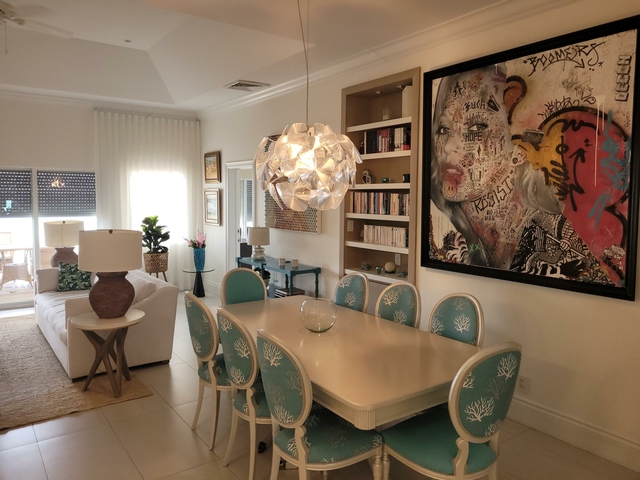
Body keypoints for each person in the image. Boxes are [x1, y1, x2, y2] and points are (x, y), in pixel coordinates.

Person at [430, 64, 618, 284]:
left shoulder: (555, 243)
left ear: (518, 145)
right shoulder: (455, 242)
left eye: (477, 128)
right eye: (444, 129)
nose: (448, 146)